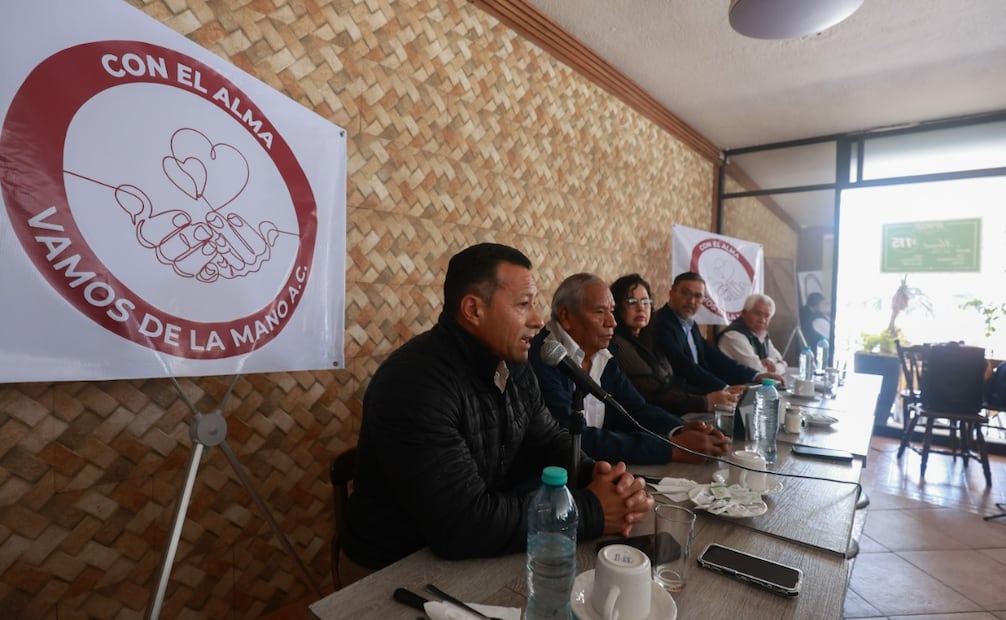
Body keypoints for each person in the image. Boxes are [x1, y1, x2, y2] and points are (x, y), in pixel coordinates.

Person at [341, 243, 653, 584]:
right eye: (523, 305)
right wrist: (592, 510)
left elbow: (548, 442)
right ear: (474, 309)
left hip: (473, 552)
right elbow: (461, 522)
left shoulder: (514, 365)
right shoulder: (414, 382)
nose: (537, 320)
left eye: (534, 303)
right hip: (393, 570)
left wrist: (603, 479)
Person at [529, 272, 730, 465]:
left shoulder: (603, 352)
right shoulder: (545, 357)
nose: (612, 322)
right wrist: (670, 449)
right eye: (599, 312)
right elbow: (574, 437)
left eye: (611, 311)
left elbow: (635, 409)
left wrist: (679, 429)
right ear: (565, 316)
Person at [608, 273, 739, 414]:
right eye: (632, 301)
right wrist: (705, 401)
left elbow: (673, 382)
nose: (641, 308)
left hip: (672, 410)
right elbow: (655, 392)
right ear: (617, 305)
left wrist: (716, 394)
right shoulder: (618, 343)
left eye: (645, 301)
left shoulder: (649, 336)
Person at [650, 271, 784, 394]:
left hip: (699, 391)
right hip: (681, 397)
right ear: (671, 293)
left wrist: (755, 375)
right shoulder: (660, 323)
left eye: (698, 296)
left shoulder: (691, 324)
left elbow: (713, 356)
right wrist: (724, 388)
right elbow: (684, 365)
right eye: (685, 293)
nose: (691, 301)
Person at [717, 293, 788, 375]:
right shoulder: (733, 336)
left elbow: (778, 357)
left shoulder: (761, 333)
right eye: (757, 313)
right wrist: (781, 366)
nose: (762, 320)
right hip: (733, 386)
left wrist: (770, 361)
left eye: (767, 316)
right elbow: (758, 371)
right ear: (744, 313)